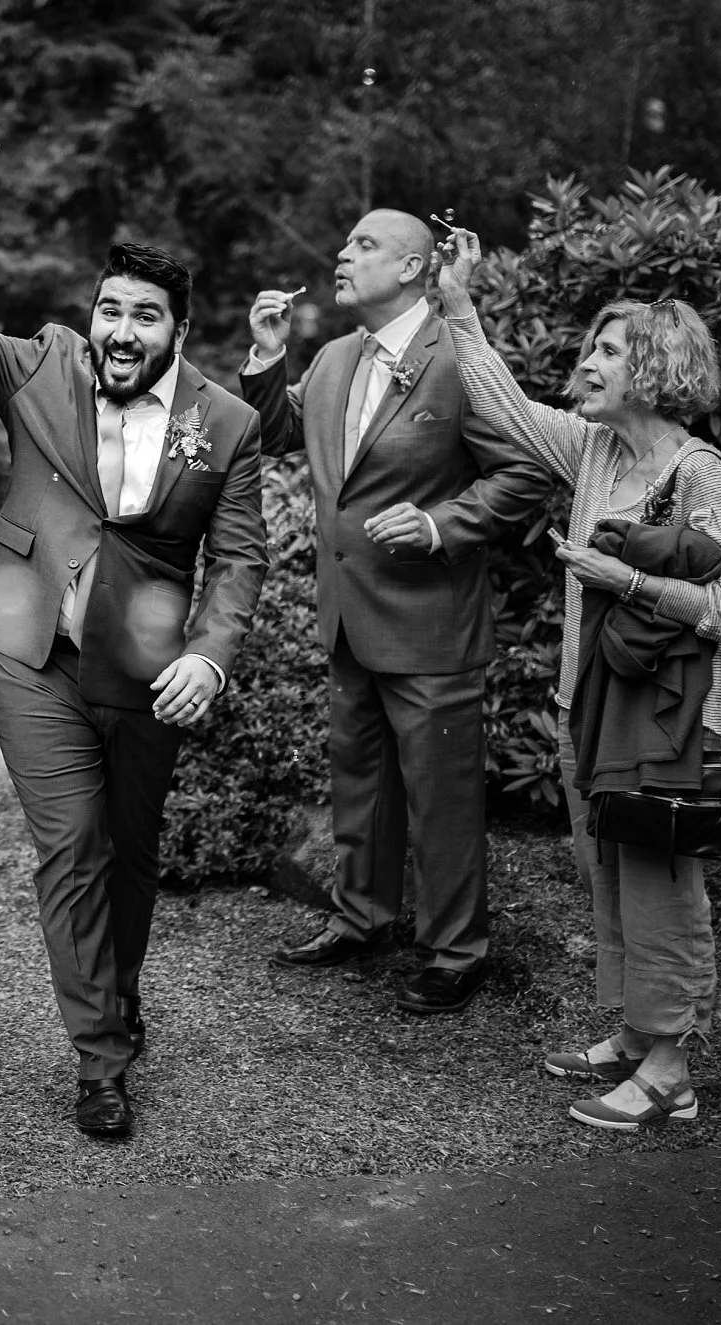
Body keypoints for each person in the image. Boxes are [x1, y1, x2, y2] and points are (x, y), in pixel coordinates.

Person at [0, 124, 268, 1140]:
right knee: (70, 848)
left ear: (176, 331)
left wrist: (209, 651)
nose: (119, 328)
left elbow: (237, 558)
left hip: (146, 673)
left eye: (143, 316)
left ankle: (115, 994)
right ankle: (99, 1057)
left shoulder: (226, 425)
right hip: (30, 658)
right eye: (108, 308)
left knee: (129, 856)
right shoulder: (38, 370)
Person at [431, 227, 721, 1128]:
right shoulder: (595, 454)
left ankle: (670, 1070)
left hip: (672, 724)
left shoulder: (703, 475)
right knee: (608, 872)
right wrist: (459, 301)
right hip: (594, 707)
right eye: (589, 347)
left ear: (653, 368)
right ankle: (635, 1029)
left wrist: (630, 581)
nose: (585, 362)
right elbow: (502, 405)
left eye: (607, 350)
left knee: (660, 883)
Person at [243, 211, 547, 1014]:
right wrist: (270, 360)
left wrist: (441, 523)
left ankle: (456, 951)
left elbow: (524, 471)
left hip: (431, 620)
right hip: (347, 612)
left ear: (416, 267)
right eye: (342, 243)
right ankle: (361, 916)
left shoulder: (461, 360)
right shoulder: (337, 357)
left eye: (364, 245)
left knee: (442, 798)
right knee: (360, 782)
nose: (342, 253)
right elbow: (278, 434)